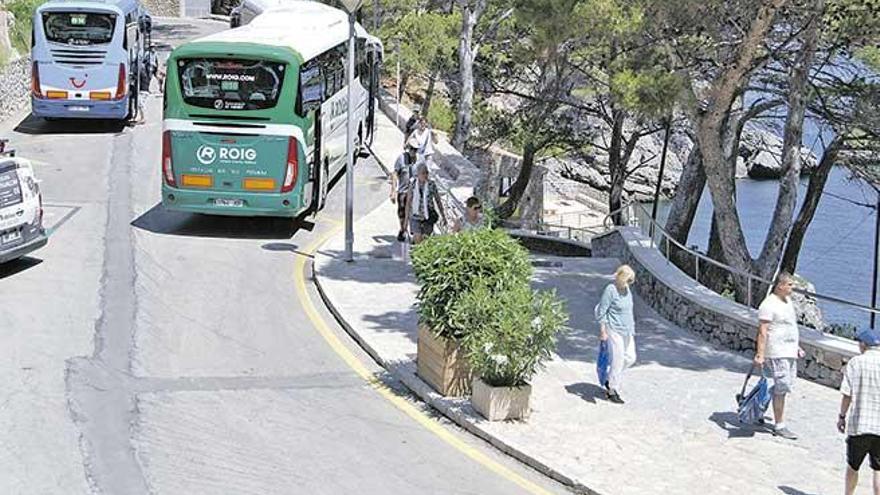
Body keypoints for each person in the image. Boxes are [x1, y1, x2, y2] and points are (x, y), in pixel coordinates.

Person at [754, 271, 805, 440]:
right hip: (776, 352)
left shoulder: (787, 301)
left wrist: (796, 346)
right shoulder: (768, 305)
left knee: (781, 384)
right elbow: (763, 331)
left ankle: (758, 407)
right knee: (781, 387)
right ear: (780, 285)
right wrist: (760, 354)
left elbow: (789, 326)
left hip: (789, 351)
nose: (792, 288)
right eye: (790, 285)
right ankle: (779, 425)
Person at [838, 327, 880, 495]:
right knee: (878, 469)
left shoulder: (856, 363)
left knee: (853, 466)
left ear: (864, 344)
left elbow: (847, 394)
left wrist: (842, 417)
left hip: (860, 425)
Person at [595, 264, 637, 404]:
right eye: (627, 280)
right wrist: (603, 331)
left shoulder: (627, 290)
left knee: (630, 358)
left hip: (627, 329)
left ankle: (609, 377)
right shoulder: (611, 290)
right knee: (617, 360)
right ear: (620, 277)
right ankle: (612, 389)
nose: (629, 283)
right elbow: (602, 311)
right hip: (613, 329)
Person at [405, 162, 446, 244]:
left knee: (425, 241)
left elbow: (438, 200)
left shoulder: (432, 185)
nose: (425, 175)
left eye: (427, 173)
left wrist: (443, 216)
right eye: (423, 173)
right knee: (417, 238)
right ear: (418, 174)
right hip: (415, 216)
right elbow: (408, 202)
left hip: (428, 217)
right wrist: (405, 220)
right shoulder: (413, 185)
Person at [391, 140, 419, 241]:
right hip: (403, 191)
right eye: (411, 149)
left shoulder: (420, 160)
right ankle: (403, 229)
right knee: (402, 212)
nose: (413, 151)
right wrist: (393, 191)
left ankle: (414, 232)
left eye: (415, 150)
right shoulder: (401, 159)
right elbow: (394, 173)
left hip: (415, 192)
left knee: (414, 213)